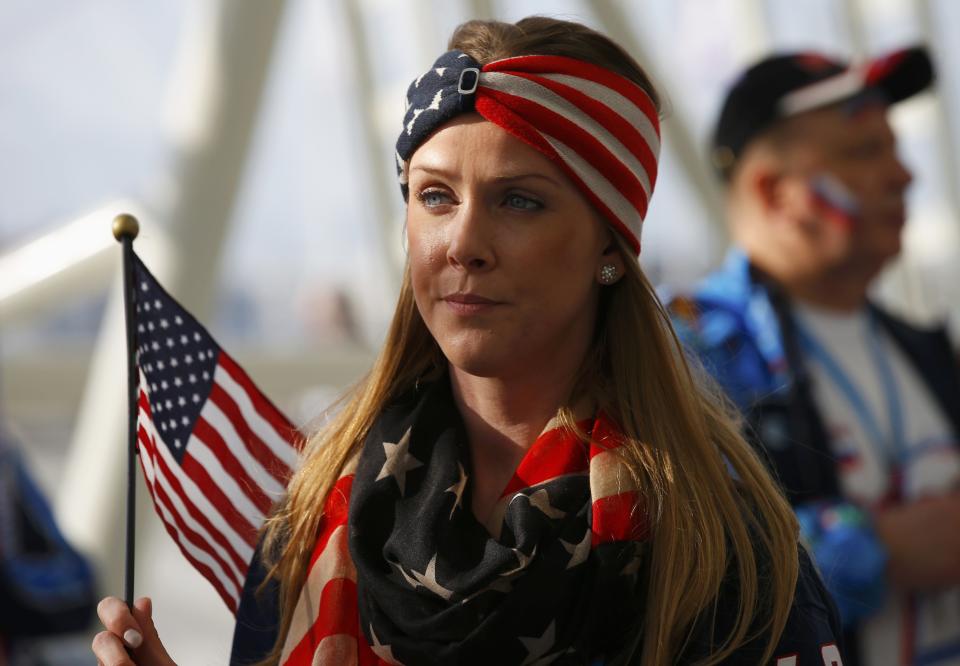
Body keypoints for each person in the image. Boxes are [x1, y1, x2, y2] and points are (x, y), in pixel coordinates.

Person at [92, 17, 844, 665]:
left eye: (520, 200)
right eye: (435, 197)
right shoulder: (312, 523)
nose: (464, 243)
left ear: (611, 248)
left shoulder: (716, 554)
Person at [668, 48, 960, 665]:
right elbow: (681, 568)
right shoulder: (685, 352)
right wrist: (880, 550)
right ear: (773, 192)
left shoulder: (920, 343)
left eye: (894, 147)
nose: (904, 175)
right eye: (864, 152)